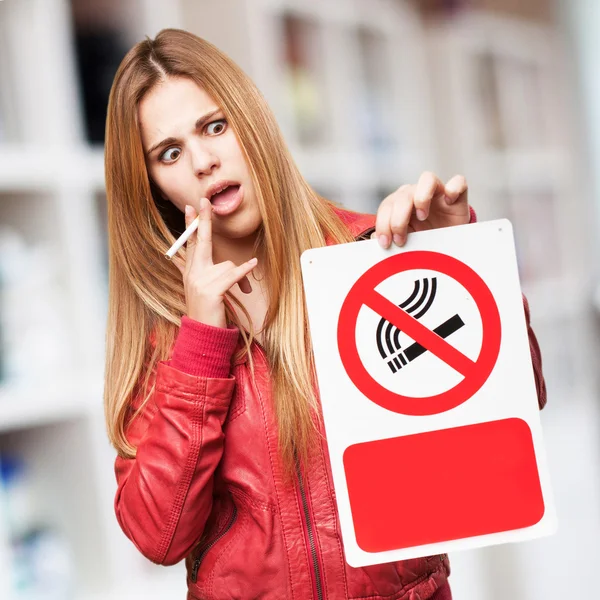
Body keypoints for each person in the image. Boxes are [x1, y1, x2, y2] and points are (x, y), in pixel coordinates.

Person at [103, 28, 546, 600]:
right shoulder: (166, 331)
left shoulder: (370, 254)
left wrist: (453, 264)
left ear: (252, 122)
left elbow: (513, 413)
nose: (205, 161)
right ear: (154, 185)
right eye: (169, 152)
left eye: (215, 127)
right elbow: (158, 536)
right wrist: (201, 344)